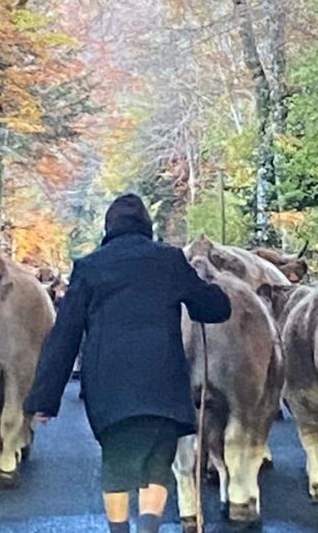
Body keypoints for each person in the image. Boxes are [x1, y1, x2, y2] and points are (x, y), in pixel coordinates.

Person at [25, 193, 232, 533]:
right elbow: (216, 308)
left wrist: (44, 400)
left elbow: (65, 335)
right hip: (162, 382)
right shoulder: (170, 261)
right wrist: (211, 289)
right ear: (146, 227)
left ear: (109, 228)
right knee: (157, 466)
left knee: (117, 465)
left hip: (110, 387)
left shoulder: (89, 267)